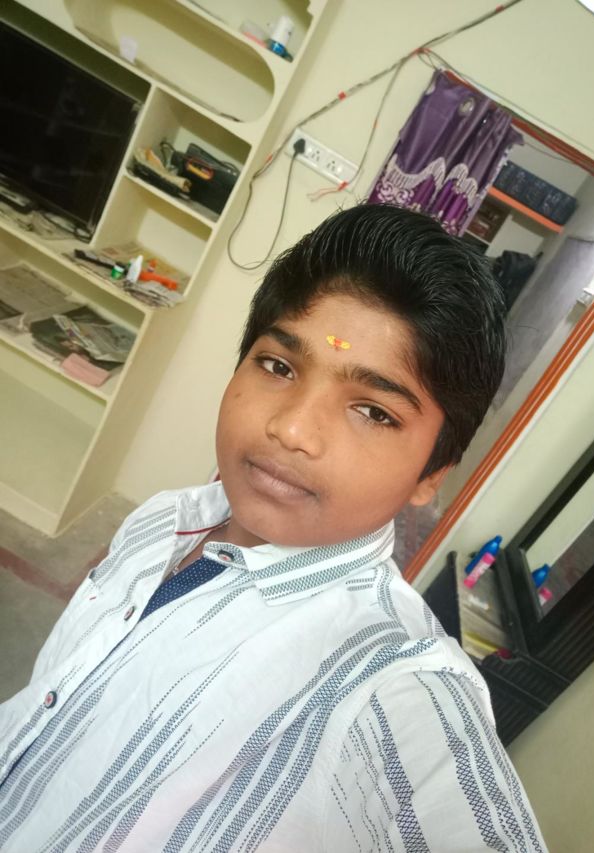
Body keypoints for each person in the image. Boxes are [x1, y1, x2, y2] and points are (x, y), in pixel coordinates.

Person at [0, 205, 546, 852]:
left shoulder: (393, 685)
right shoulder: (164, 520)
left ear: (431, 474)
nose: (291, 428)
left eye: (373, 411)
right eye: (279, 367)